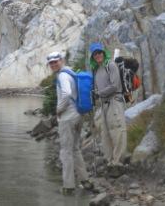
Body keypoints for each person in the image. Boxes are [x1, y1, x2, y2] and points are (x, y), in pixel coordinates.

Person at [46, 51, 93, 195]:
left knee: (66, 152)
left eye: (56, 61)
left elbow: (66, 94)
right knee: (75, 149)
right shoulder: (71, 73)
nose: (53, 64)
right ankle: (85, 181)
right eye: (51, 63)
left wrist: (59, 110)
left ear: (62, 60)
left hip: (67, 118)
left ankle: (68, 186)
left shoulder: (62, 75)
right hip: (78, 115)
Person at [89, 42, 127, 176]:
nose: (98, 55)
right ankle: (110, 161)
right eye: (95, 54)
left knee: (117, 130)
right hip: (103, 104)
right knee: (106, 133)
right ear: (92, 56)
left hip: (114, 101)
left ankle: (118, 162)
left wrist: (99, 93)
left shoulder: (110, 65)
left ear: (103, 53)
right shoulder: (95, 70)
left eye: (99, 53)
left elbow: (115, 86)